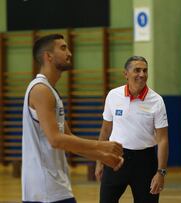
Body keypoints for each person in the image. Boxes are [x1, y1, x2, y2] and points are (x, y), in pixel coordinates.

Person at [22, 34, 124, 203]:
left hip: (55, 187)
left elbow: (68, 139)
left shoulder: (50, 91)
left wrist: (101, 155)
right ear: (48, 56)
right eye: (63, 48)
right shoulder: (41, 90)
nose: (69, 53)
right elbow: (55, 140)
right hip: (44, 190)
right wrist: (102, 145)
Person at [95, 56, 169, 203]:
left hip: (145, 163)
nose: (142, 74)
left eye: (145, 70)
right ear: (126, 74)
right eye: (137, 70)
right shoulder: (113, 95)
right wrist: (100, 161)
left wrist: (161, 172)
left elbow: (163, 139)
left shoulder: (157, 101)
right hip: (116, 158)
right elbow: (105, 131)